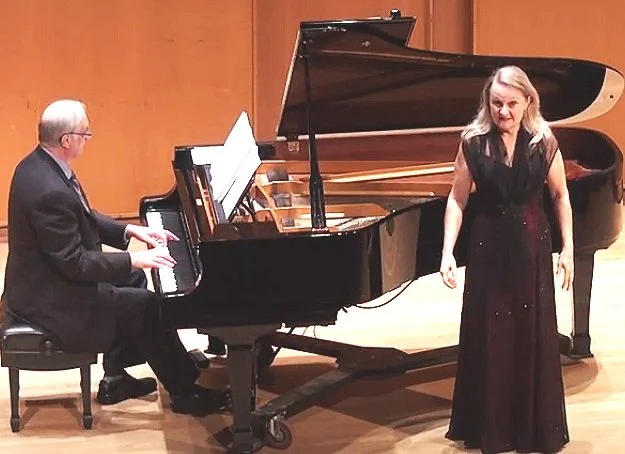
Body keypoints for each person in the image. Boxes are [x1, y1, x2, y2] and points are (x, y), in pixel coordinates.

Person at [1, 99, 226, 417]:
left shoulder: (39, 164)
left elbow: (82, 214)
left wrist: (131, 231)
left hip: (43, 281)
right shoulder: (48, 189)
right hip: (48, 300)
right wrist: (136, 259)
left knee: (133, 280)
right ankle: (185, 392)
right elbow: (75, 263)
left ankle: (116, 376)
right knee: (146, 304)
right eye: (85, 133)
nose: (87, 138)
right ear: (67, 140)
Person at [440, 66, 573, 453]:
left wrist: (568, 249)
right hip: (488, 249)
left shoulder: (544, 141)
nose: (504, 111)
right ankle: (492, 431)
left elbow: (560, 196)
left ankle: (532, 430)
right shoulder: (473, 142)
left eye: (512, 103)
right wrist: (447, 251)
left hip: (532, 249)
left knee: (531, 332)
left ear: (528, 101)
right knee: (492, 335)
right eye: (497, 103)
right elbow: (457, 198)